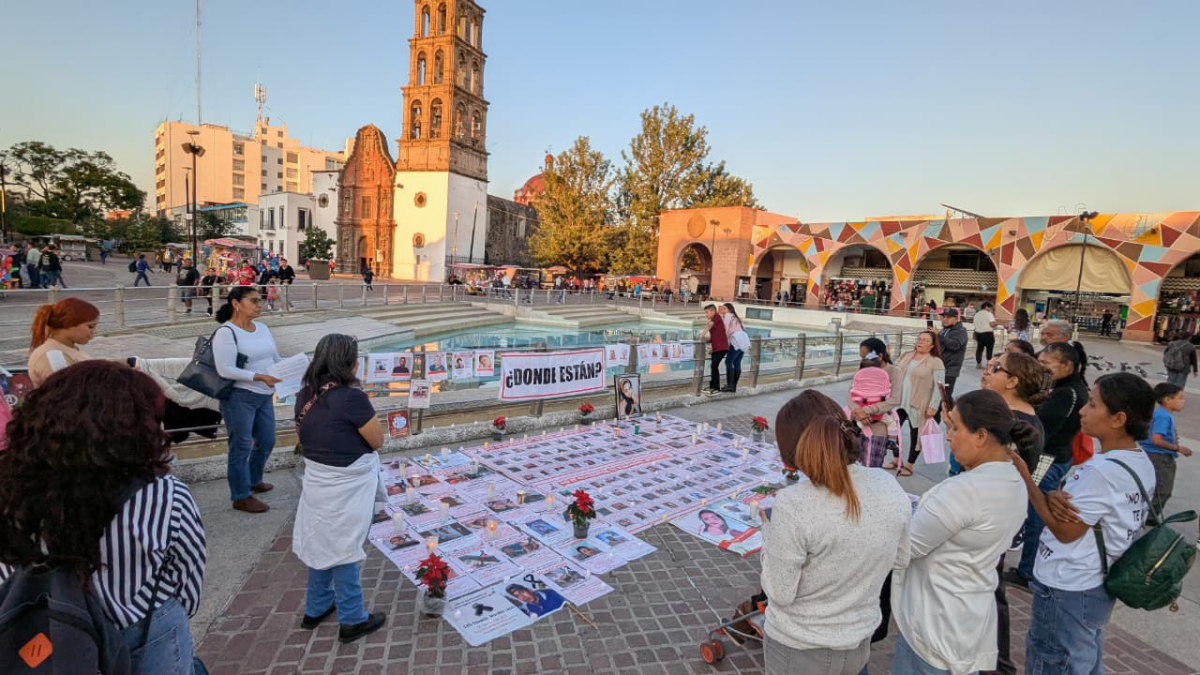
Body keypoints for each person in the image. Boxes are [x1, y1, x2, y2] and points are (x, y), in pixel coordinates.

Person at [0, 362, 207, 674]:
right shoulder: (162, 493)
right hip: (140, 625)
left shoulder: (9, 486)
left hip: (36, 626)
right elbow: (187, 578)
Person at [1014, 373, 1156, 674]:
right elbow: (1088, 513)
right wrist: (1053, 495)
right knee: (1083, 661)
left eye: (1092, 405)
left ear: (1118, 418)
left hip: (1069, 584)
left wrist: (1026, 478)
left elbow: (1065, 531)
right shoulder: (1138, 460)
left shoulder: (1101, 471)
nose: (1082, 411)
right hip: (1096, 582)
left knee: (1054, 662)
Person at [891, 389, 1034, 675]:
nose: (949, 435)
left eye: (955, 427)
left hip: (935, 624)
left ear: (981, 435)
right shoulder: (1013, 479)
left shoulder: (962, 492)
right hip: (969, 615)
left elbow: (902, 550)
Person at [761, 413, 911, 675]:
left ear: (806, 452)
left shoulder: (793, 503)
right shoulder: (888, 484)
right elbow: (901, 558)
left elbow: (780, 592)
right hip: (857, 643)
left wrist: (769, 534)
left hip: (800, 647)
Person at [292, 334, 387, 643]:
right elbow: (376, 441)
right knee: (345, 547)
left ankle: (316, 607)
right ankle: (352, 618)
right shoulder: (352, 397)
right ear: (350, 363)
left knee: (322, 540)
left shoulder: (305, 394)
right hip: (348, 483)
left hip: (318, 479)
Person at [979, 351, 1050, 673]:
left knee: (990, 588)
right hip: (990, 512)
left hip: (991, 516)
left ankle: (998, 662)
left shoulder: (1019, 427)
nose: (988, 371)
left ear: (1012, 381)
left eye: (996, 368)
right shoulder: (1012, 418)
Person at [1004, 341, 1089, 588]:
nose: (1041, 369)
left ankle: (1028, 571)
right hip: (1057, 457)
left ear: (1066, 365)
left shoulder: (1067, 393)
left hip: (1050, 459)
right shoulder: (1068, 387)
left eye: (1045, 364)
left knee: (1036, 515)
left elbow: (1043, 429)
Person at [213, 286, 283, 513]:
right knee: (240, 446)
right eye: (253, 301)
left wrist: (292, 370)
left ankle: (253, 479)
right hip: (239, 397)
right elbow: (225, 369)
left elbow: (275, 357)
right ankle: (241, 495)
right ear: (236, 303)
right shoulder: (226, 332)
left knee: (267, 440)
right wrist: (259, 376)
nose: (259, 304)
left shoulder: (262, 327)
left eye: (260, 300)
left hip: (264, 395)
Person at [887, 330, 945, 476]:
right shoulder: (906, 355)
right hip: (900, 401)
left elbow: (939, 386)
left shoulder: (935, 362)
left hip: (920, 403)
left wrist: (933, 406)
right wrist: (888, 355)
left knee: (916, 435)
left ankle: (909, 465)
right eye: (919, 339)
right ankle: (896, 459)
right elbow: (893, 371)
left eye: (925, 340)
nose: (921, 342)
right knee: (894, 432)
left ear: (932, 345)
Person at [1139, 382, 1191, 519]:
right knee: (1163, 490)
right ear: (1168, 400)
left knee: (1157, 489)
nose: (1183, 401)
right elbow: (1156, 440)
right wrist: (1178, 448)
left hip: (1155, 456)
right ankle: (1149, 518)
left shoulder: (1160, 413)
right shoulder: (1163, 416)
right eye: (1180, 398)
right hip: (1159, 458)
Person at [28, 297, 99, 387]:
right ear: (68, 323)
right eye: (90, 326)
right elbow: (67, 394)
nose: (94, 331)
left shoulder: (67, 348)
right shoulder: (53, 355)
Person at [938, 307, 968, 397]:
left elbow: (955, 345)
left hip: (950, 370)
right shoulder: (944, 330)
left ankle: (951, 411)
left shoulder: (961, 332)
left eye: (948, 317)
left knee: (945, 396)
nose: (945, 319)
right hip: (939, 368)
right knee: (937, 396)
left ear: (956, 318)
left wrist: (938, 336)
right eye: (944, 317)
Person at [720, 303, 749, 392]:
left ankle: (730, 385)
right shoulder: (736, 317)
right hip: (744, 338)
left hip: (736, 339)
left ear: (729, 309)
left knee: (728, 361)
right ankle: (733, 386)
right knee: (737, 362)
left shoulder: (728, 315)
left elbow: (725, 329)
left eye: (724, 309)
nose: (723, 311)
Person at [701, 304, 729, 394]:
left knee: (714, 366)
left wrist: (701, 335)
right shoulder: (715, 320)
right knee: (713, 366)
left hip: (721, 347)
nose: (706, 315)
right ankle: (712, 386)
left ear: (713, 311)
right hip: (716, 348)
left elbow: (709, 325)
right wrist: (708, 340)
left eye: (707, 312)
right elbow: (715, 334)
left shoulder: (716, 317)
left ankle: (717, 388)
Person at [973, 302, 999, 368]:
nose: (991, 309)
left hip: (978, 334)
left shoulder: (977, 314)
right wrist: (996, 323)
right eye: (990, 308)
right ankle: (988, 365)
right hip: (988, 334)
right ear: (987, 307)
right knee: (989, 349)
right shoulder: (989, 314)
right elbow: (992, 324)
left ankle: (978, 364)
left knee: (979, 349)